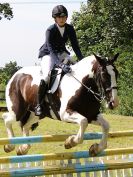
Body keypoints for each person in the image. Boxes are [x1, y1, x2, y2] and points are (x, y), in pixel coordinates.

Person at [35, 5, 83, 116]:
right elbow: (51, 50)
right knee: (46, 76)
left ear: (66, 17)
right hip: (48, 54)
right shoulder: (50, 30)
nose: (61, 18)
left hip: (61, 53)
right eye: (59, 17)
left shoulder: (70, 28)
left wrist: (81, 60)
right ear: (55, 18)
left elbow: (75, 46)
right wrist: (60, 65)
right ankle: (39, 104)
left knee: (76, 67)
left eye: (63, 16)